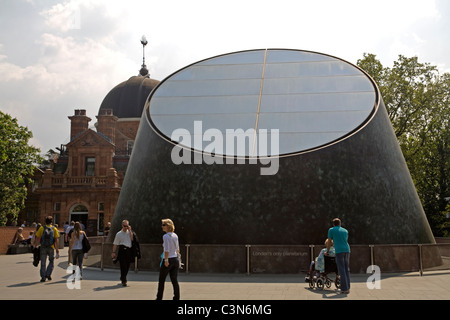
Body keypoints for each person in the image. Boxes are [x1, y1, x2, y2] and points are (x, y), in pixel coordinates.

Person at [156, 219, 180, 300]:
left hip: (168, 260)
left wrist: (166, 260)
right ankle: (176, 298)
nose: (162, 226)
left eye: (164, 225)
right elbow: (178, 249)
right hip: (175, 259)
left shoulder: (165, 236)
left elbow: (166, 250)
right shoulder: (175, 235)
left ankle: (159, 298)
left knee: (161, 280)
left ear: (168, 226)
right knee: (174, 280)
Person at [326, 218, 350, 294]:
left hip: (339, 251)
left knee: (341, 269)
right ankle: (347, 287)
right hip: (347, 250)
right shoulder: (345, 230)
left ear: (333, 224)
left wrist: (327, 251)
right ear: (340, 223)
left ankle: (344, 288)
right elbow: (345, 240)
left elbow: (329, 241)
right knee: (346, 269)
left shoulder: (331, 230)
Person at [35, 216, 60, 282]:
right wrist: (57, 249)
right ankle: (48, 274)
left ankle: (43, 277)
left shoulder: (42, 228)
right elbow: (56, 239)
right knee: (51, 261)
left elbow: (37, 237)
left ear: (45, 221)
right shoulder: (54, 229)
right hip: (51, 247)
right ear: (52, 221)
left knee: (43, 262)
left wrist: (36, 245)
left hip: (43, 247)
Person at [111, 220, 134, 286]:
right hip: (122, 250)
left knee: (127, 266)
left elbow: (132, 239)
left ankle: (123, 277)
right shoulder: (119, 234)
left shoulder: (130, 232)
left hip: (129, 250)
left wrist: (130, 230)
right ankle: (124, 280)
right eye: (125, 226)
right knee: (123, 266)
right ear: (122, 225)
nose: (126, 227)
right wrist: (113, 252)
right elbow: (115, 244)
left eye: (127, 226)